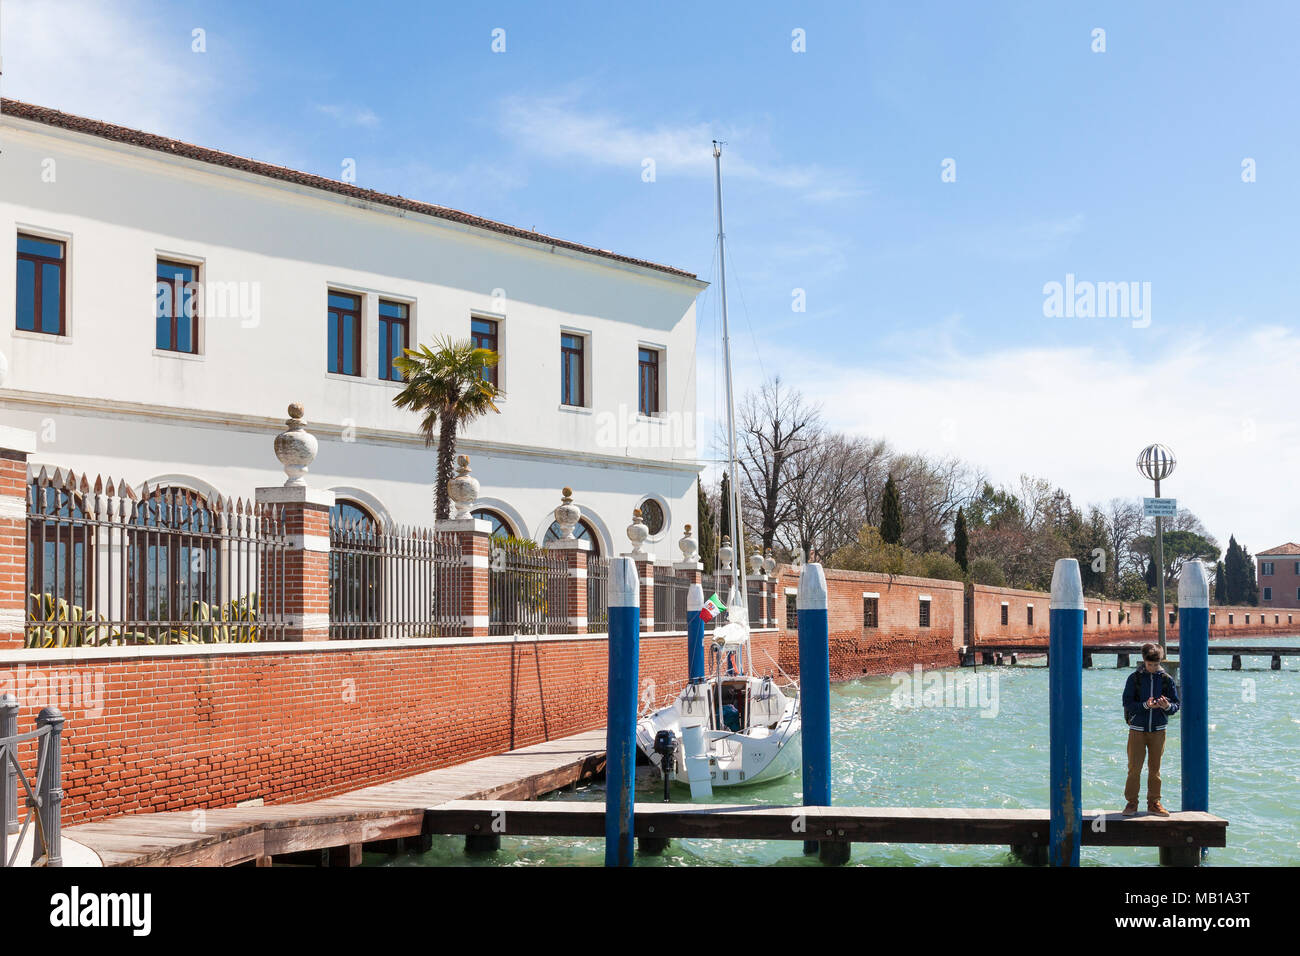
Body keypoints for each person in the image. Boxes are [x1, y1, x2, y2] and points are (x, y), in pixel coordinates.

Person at [1121, 643, 1180, 816]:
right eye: (1149, 664)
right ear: (1144, 661)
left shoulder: (1166, 680)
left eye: (1156, 664)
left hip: (1159, 730)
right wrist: (1146, 706)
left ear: (1160, 661)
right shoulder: (1134, 679)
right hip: (1137, 730)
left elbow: (1176, 705)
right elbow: (1127, 704)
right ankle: (1131, 803)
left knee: (1155, 769)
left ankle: (1154, 803)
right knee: (1134, 768)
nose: (1153, 668)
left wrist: (1166, 705)